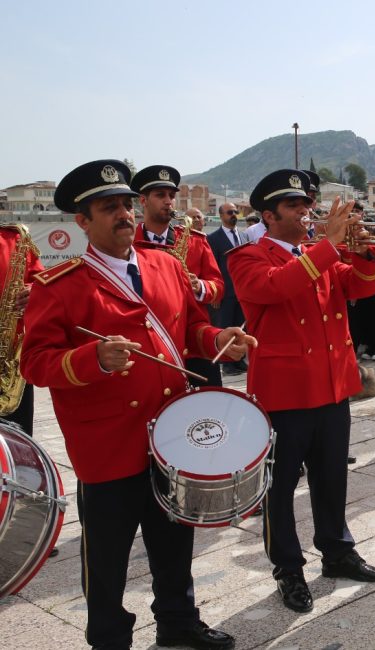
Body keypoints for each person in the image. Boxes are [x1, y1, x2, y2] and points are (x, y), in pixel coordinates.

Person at [21, 159, 252, 650]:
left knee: (175, 539)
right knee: (107, 557)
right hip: (108, 444)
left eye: (127, 204)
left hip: (169, 436)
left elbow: (191, 329)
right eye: (110, 208)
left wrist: (219, 337)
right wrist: (93, 359)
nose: (124, 214)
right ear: (82, 221)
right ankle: (107, 637)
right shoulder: (59, 287)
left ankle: (177, 620)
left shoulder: (166, 264)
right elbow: (35, 364)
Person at [228, 170, 375, 614]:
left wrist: (364, 251)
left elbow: (365, 286)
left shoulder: (316, 254)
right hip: (285, 393)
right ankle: (288, 568)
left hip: (332, 387)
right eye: (294, 207)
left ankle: (337, 551)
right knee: (278, 489)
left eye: (306, 204)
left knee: (332, 477)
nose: (306, 212)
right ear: (268, 216)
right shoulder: (248, 257)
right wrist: (330, 246)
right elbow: (275, 287)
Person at [131, 165, 225, 387]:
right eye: (160, 195)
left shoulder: (195, 240)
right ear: (142, 201)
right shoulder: (128, 243)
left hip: (195, 344)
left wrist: (200, 286)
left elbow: (218, 286)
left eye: (171, 196)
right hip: (150, 346)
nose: (168, 201)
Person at [0, 223, 43, 436]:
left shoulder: (14, 238)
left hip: (9, 363)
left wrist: (35, 291)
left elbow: (41, 280)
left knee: (18, 444)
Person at [207, 202, 248, 375]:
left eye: (235, 212)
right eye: (230, 212)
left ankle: (239, 360)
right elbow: (212, 268)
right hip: (226, 293)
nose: (234, 215)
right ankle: (227, 364)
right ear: (221, 215)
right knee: (225, 327)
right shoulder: (213, 239)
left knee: (241, 328)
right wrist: (216, 294)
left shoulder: (244, 237)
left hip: (243, 292)